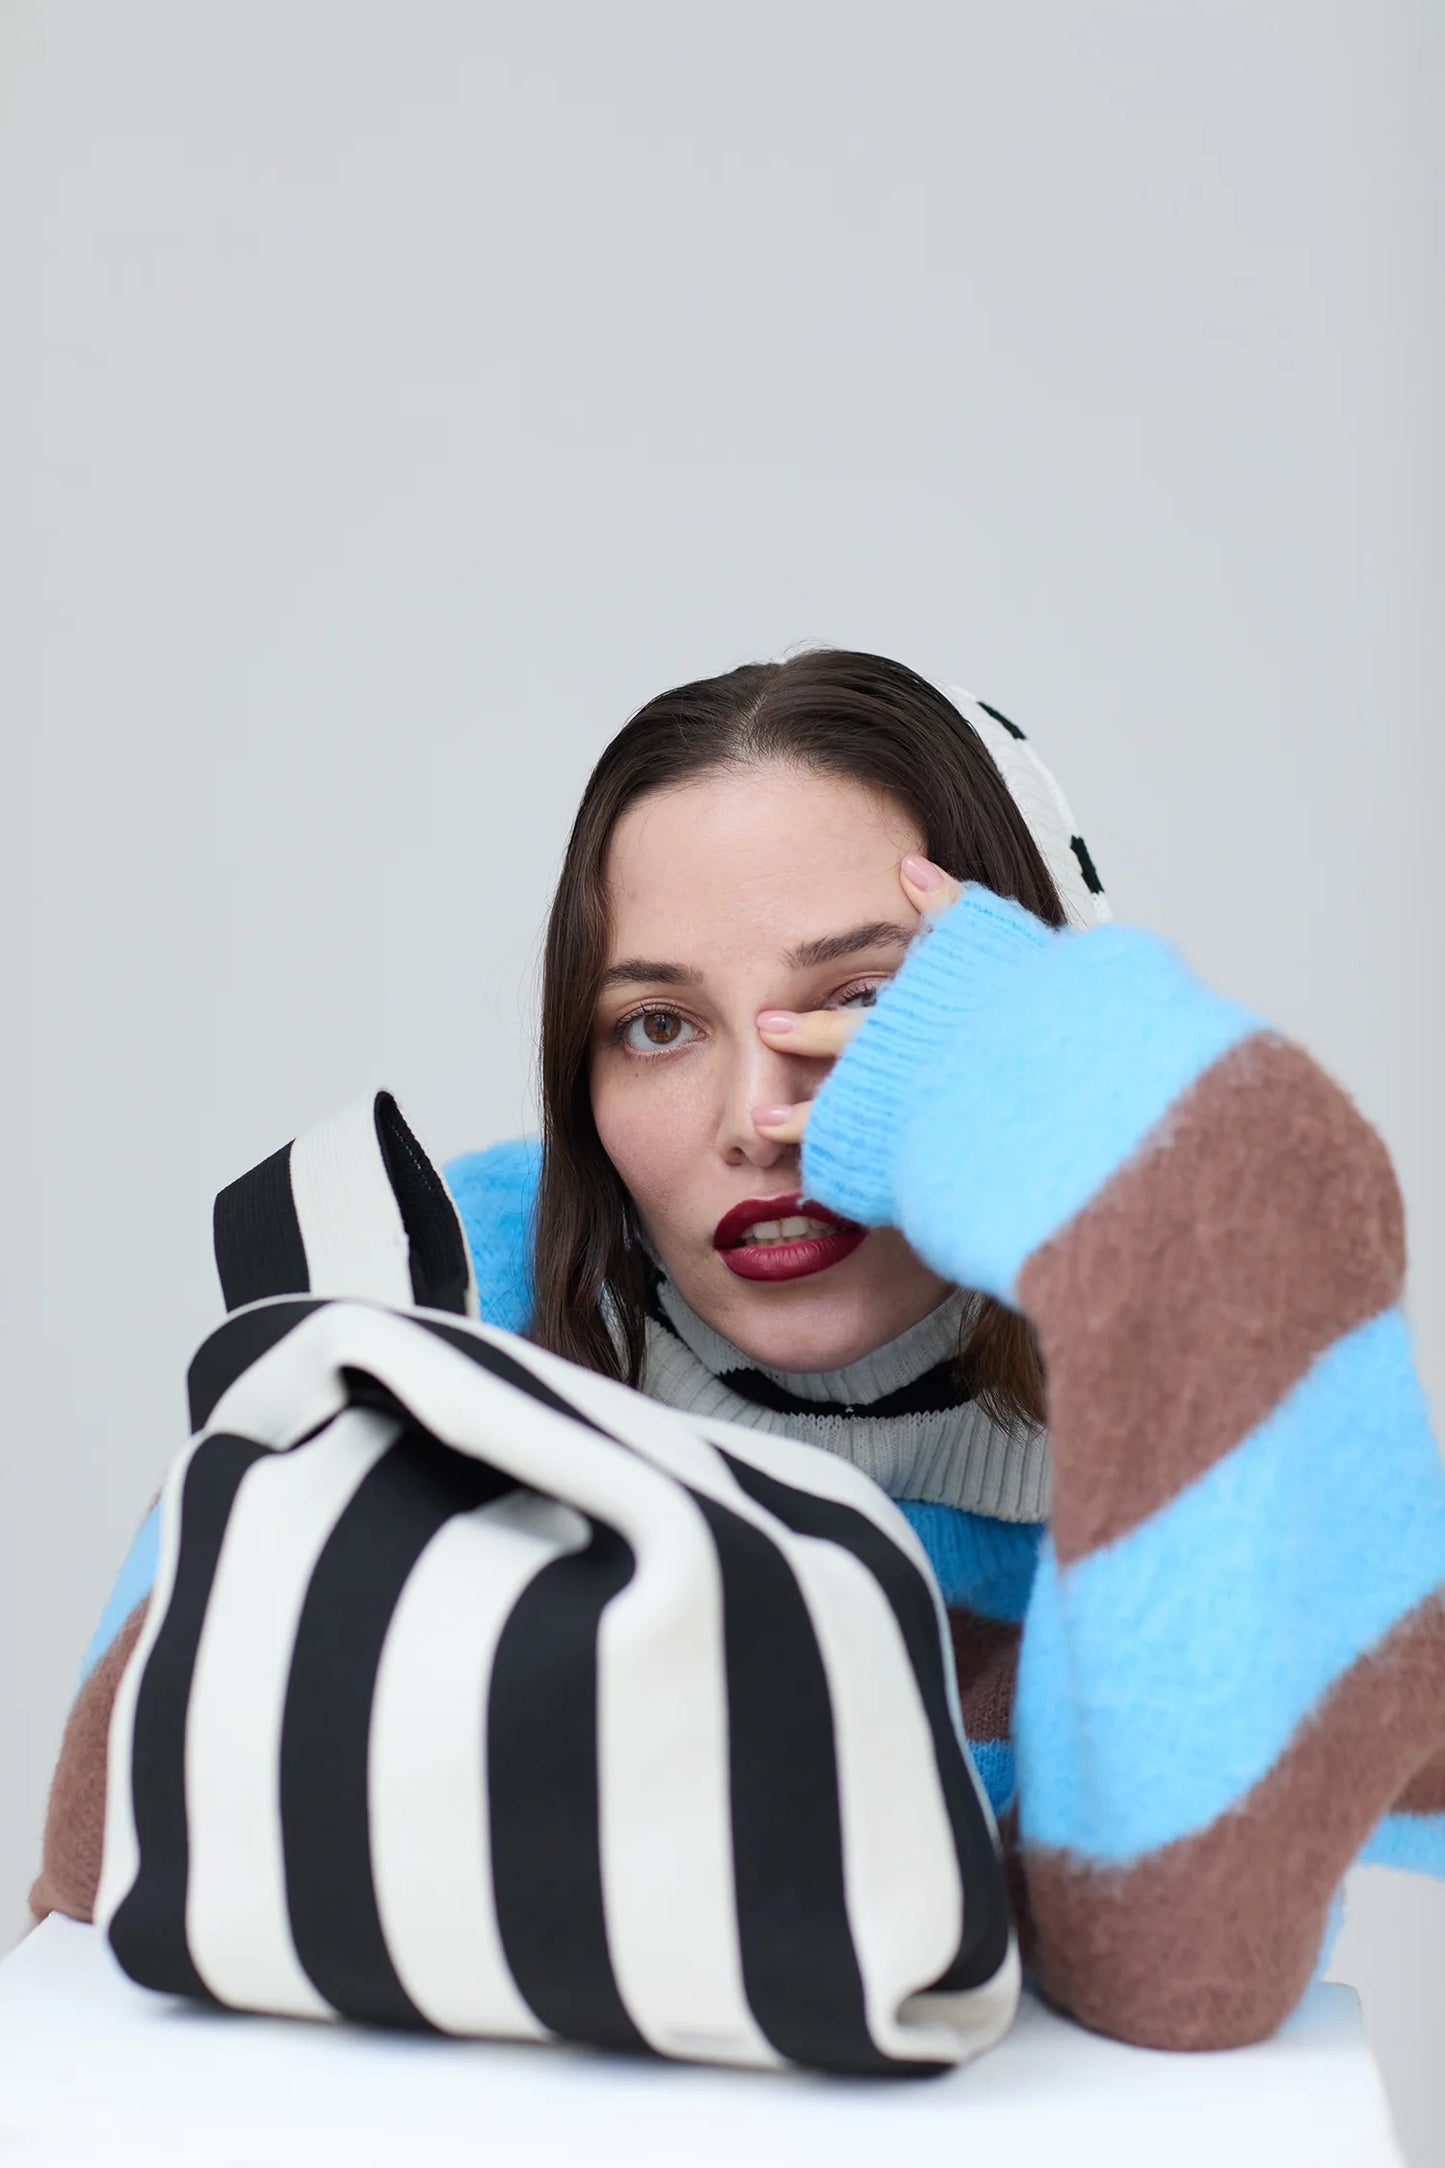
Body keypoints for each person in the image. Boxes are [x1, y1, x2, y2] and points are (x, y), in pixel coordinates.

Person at [33, 649, 1445, 2052]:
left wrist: (1196, 1179)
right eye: (655, 1026)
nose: (760, 1115)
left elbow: (1179, 1968)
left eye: (865, 1005)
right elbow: (110, 1899)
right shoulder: (424, 1322)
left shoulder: (1189, 1412)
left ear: (1027, 1023)